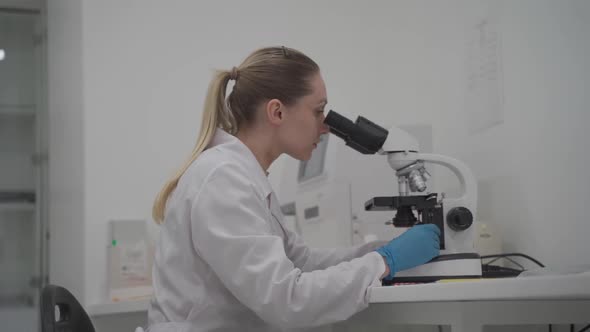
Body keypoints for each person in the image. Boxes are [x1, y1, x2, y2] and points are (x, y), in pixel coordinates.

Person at [147, 46, 440, 332]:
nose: (325, 127)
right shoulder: (224, 179)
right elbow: (287, 301)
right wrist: (384, 262)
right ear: (276, 112)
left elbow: (303, 262)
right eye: (318, 111)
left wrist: (380, 252)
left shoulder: (245, 176)